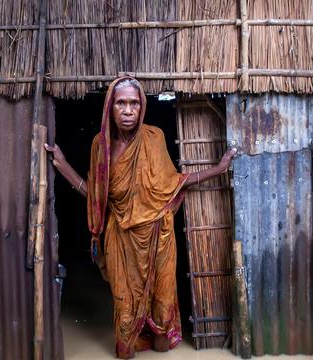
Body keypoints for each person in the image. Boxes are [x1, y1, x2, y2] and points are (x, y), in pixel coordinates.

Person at [45, 77, 236, 359]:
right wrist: (62, 165)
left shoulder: (154, 137)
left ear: (142, 106)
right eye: (121, 103)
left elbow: (175, 182)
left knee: (162, 308)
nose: (128, 110)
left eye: (134, 103)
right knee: (124, 311)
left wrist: (217, 169)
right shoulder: (102, 144)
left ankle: (161, 348)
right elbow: (96, 195)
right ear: (110, 107)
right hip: (121, 240)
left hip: (159, 237)